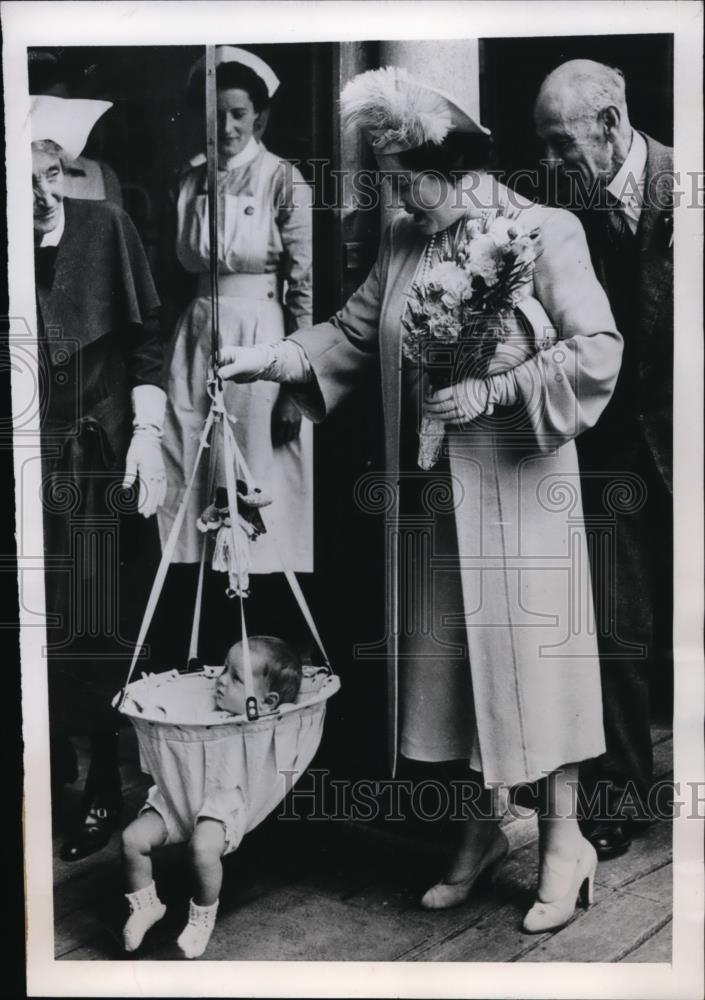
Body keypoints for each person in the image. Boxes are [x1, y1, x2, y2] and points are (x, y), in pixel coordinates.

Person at [217, 66, 624, 933]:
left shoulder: (540, 230)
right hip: (436, 496)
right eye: (388, 180)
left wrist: (494, 391)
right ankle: (480, 830)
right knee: (452, 674)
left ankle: (563, 839)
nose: (397, 196)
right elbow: (352, 333)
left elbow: (596, 349)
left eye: (409, 179)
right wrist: (274, 359)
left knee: (535, 667)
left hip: (519, 491)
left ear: (463, 164)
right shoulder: (406, 239)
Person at [534, 59, 673, 860]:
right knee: (614, 626)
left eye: (561, 144)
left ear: (612, 122)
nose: (549, 163)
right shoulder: (557, 206)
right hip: (610, 443)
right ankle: (620, 797)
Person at [31, 95, 167, 861]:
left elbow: (147, 341)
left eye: (53, 176)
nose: (45, 196)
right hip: (29, 460)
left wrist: (146, 433)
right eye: (26, 183)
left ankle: (106, 789)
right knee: (35, 624)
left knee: (96, 624)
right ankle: (50, 779)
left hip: (98, 455)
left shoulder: (105, 229)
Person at [157, 46, 313, 650]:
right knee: (189, 473)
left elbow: (303, 287)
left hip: (260, 338)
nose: (225, 127)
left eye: (238, 114)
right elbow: (176, 274)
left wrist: (296, 384)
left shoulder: (283, 180)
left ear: (260, 118)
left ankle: (260, 639)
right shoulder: (190, 181)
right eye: (215, 114)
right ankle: (198, 635)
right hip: (197, 335)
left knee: (254, 475)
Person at [120, 636, 302, 958]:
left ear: (267, 701)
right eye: (224, 669)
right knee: (132, 839)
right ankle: (146, 905)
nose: (220, 681)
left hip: (222, 804)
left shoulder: (256, 722)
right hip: (178, 794)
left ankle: (202, 915)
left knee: (203, 849)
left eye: (235, 678)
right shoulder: (203, 708)